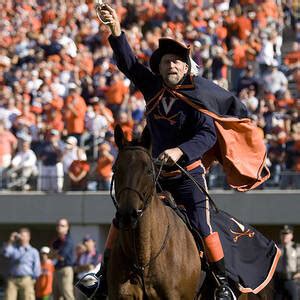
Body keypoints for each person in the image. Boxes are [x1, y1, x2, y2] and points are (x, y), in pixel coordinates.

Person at [76, 4, 272, 300]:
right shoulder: (153, 87)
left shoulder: (200, 96)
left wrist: (181, 151)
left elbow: (207, 134)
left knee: (202, 223)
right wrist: (115, 31)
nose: (171, 66)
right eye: (166, 61)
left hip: (187, 175)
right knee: (123, 215)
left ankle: (221, 282)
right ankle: (102, 277)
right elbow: (129, 63)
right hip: (154, 174)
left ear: (185, 67)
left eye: (177, 62)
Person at [1, 228, 41, 300]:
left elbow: (37, 268)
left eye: (24, 236)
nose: (22, 238)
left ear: (29, 237)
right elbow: (5, 253)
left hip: (26, 279)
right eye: (20, 235)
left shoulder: (33, 251)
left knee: (28, 298)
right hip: (12, 279)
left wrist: (33, 280)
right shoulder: (13, 249)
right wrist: (11, 240)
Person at [52, 218, 75, 300]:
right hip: (57, 269)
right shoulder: (57, 241)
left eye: (62, 225)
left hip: (66, 270)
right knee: (56, 296)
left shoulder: (69, 241)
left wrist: (53, 254)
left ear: (67, 227)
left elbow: (61, 256)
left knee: (67, 294)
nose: (59, 227)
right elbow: (51, 254)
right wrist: (54, 254)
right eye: (58, 225)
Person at [275, 225, 300, 300]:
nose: (285, 236)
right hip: (278, 280)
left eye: (287, 234)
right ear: (280, 235)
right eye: (283, 234)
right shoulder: (276, 248)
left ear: (291, 235)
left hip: (292, 280)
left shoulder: (296, 248)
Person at [74, 235, 102, 300]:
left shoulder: (97, 254)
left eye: (88, 241)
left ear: (93, 242)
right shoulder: (81, 255)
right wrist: (84, 267)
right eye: (84, 241)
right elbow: (75, 269)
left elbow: (91, 266)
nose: (86, 243)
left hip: (91, 282)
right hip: (80, 281)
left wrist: (80, 268)